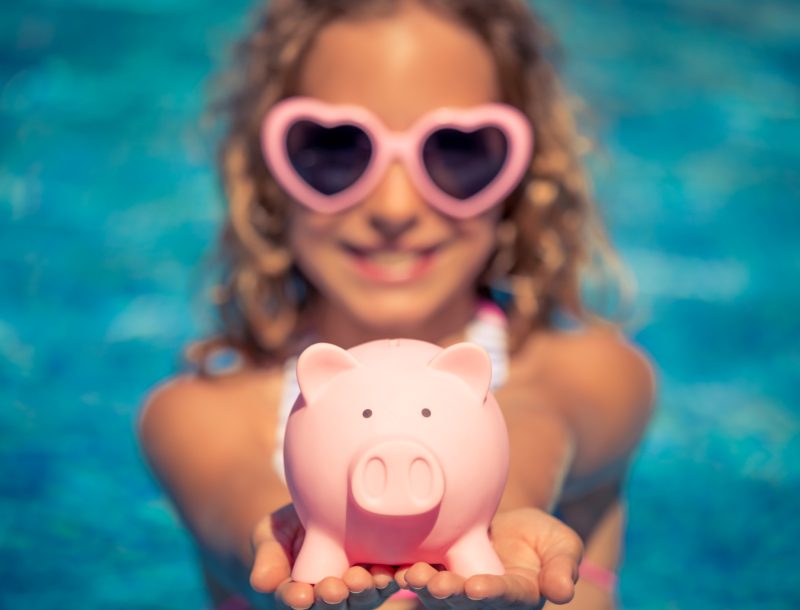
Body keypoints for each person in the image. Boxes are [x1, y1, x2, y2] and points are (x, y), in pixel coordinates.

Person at [138, 1, 655, 609]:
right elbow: (239, 508)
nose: (395, 207)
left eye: (458, 150)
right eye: (335, 147)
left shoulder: (593, 370)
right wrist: (289, 552)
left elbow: (542, 419)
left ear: (523, 173)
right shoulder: (200, 414)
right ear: (267, 171)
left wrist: (494, 510)